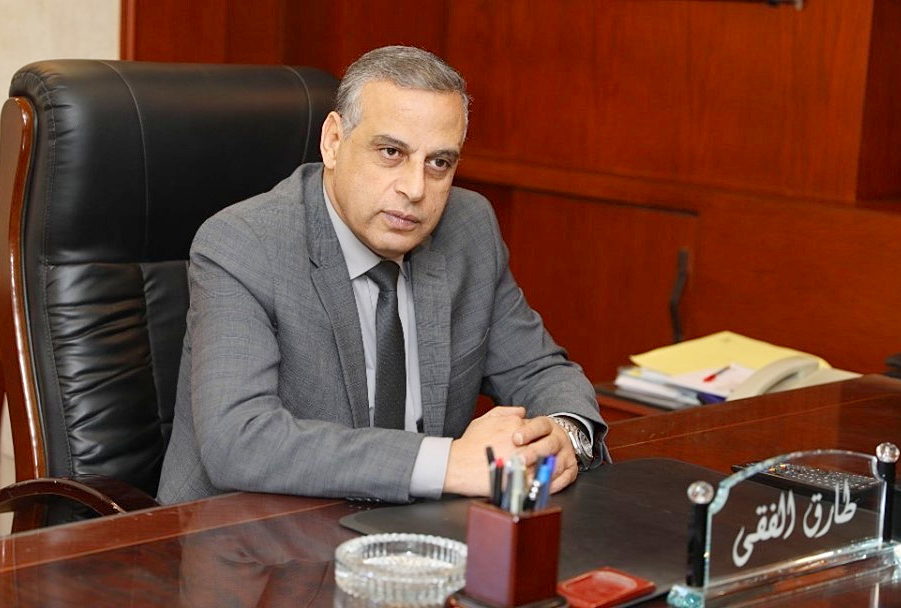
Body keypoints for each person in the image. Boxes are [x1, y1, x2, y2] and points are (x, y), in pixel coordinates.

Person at [158, 46, 607, 505]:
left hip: (415, 530)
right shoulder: (244, 244)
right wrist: (446, 463)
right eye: (391, 152)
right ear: (333, 141)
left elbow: (538, 369)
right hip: (252, 532)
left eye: (439, 163)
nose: (415, 189)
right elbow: (239, 440)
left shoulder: (468, 229)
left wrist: (562, 434)